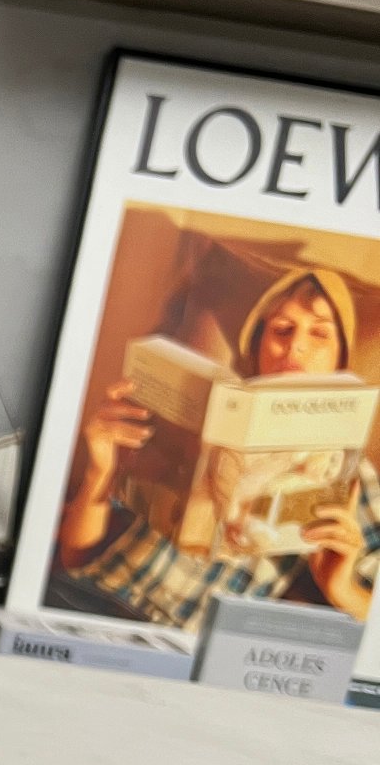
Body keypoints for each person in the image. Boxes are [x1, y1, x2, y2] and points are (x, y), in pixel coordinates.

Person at [56, 267, 380, 628]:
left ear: (340, 360)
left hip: (182, 636)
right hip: (90, 600)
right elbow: (74, 557)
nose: (295, 345)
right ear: (256, 347)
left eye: (319, 333)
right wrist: (100, 469)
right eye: (281, 329)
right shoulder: (197, 413)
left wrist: (342, 588)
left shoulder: (347, 468)